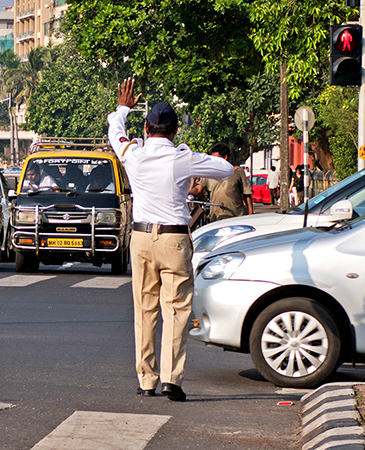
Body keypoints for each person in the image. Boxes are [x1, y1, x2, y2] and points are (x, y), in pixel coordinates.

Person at [107, 78, 233, 402]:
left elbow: (114, 131)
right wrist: (189, 155)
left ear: (146, 130)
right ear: (175, 131)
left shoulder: (132, 154)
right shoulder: (182, 159)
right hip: (174, 239)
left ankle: (146, 378)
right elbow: (224, 168)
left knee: (144, 308)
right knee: (176, 309)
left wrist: (124, 107)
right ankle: (171, 380)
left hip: (141, 237)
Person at [194, 143, 254, 221]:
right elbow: (198, 189)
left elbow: (246, 193)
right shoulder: (209, 173)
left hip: (237, 216)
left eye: (216, 159)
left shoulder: (238, 171)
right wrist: (185, 193)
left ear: (225, 157)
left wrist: (251, 213)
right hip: (217, 218)